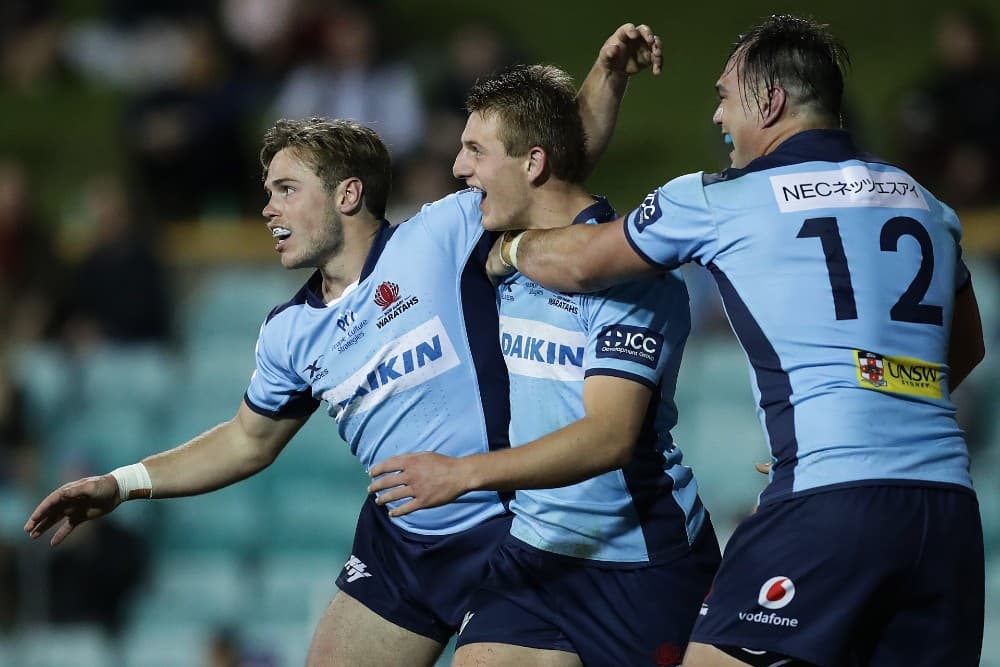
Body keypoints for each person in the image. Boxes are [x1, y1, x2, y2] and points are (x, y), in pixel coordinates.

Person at [22, 23, 662, 667]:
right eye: (268, 191)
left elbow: (546, 163)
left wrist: (606, 75)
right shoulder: (287, 332)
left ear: (348, 194)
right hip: (401, 545)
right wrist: (121, 483)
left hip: (503, 532)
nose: (268, 208)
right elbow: (247, 441)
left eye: (286, 190)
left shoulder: (439, 235)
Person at [486, 14, 986, 667]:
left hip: (828, 503)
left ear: (769, 101)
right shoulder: (925, 203)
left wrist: (510, 246)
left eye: (724, 97)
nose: (718, 118)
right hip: (948, 511)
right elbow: (966, 346)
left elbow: (583, 260)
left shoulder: (725, 198)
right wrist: (867, 411)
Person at [368, 64, 720, 667]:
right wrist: (606, 76)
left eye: (476, 151)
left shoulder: (630, 277)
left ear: (532, 164)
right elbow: (559, 148)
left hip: (639, 562)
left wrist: (463, 475)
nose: (459, 168)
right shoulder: (498, 249)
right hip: (532, 552)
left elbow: (608, 438)